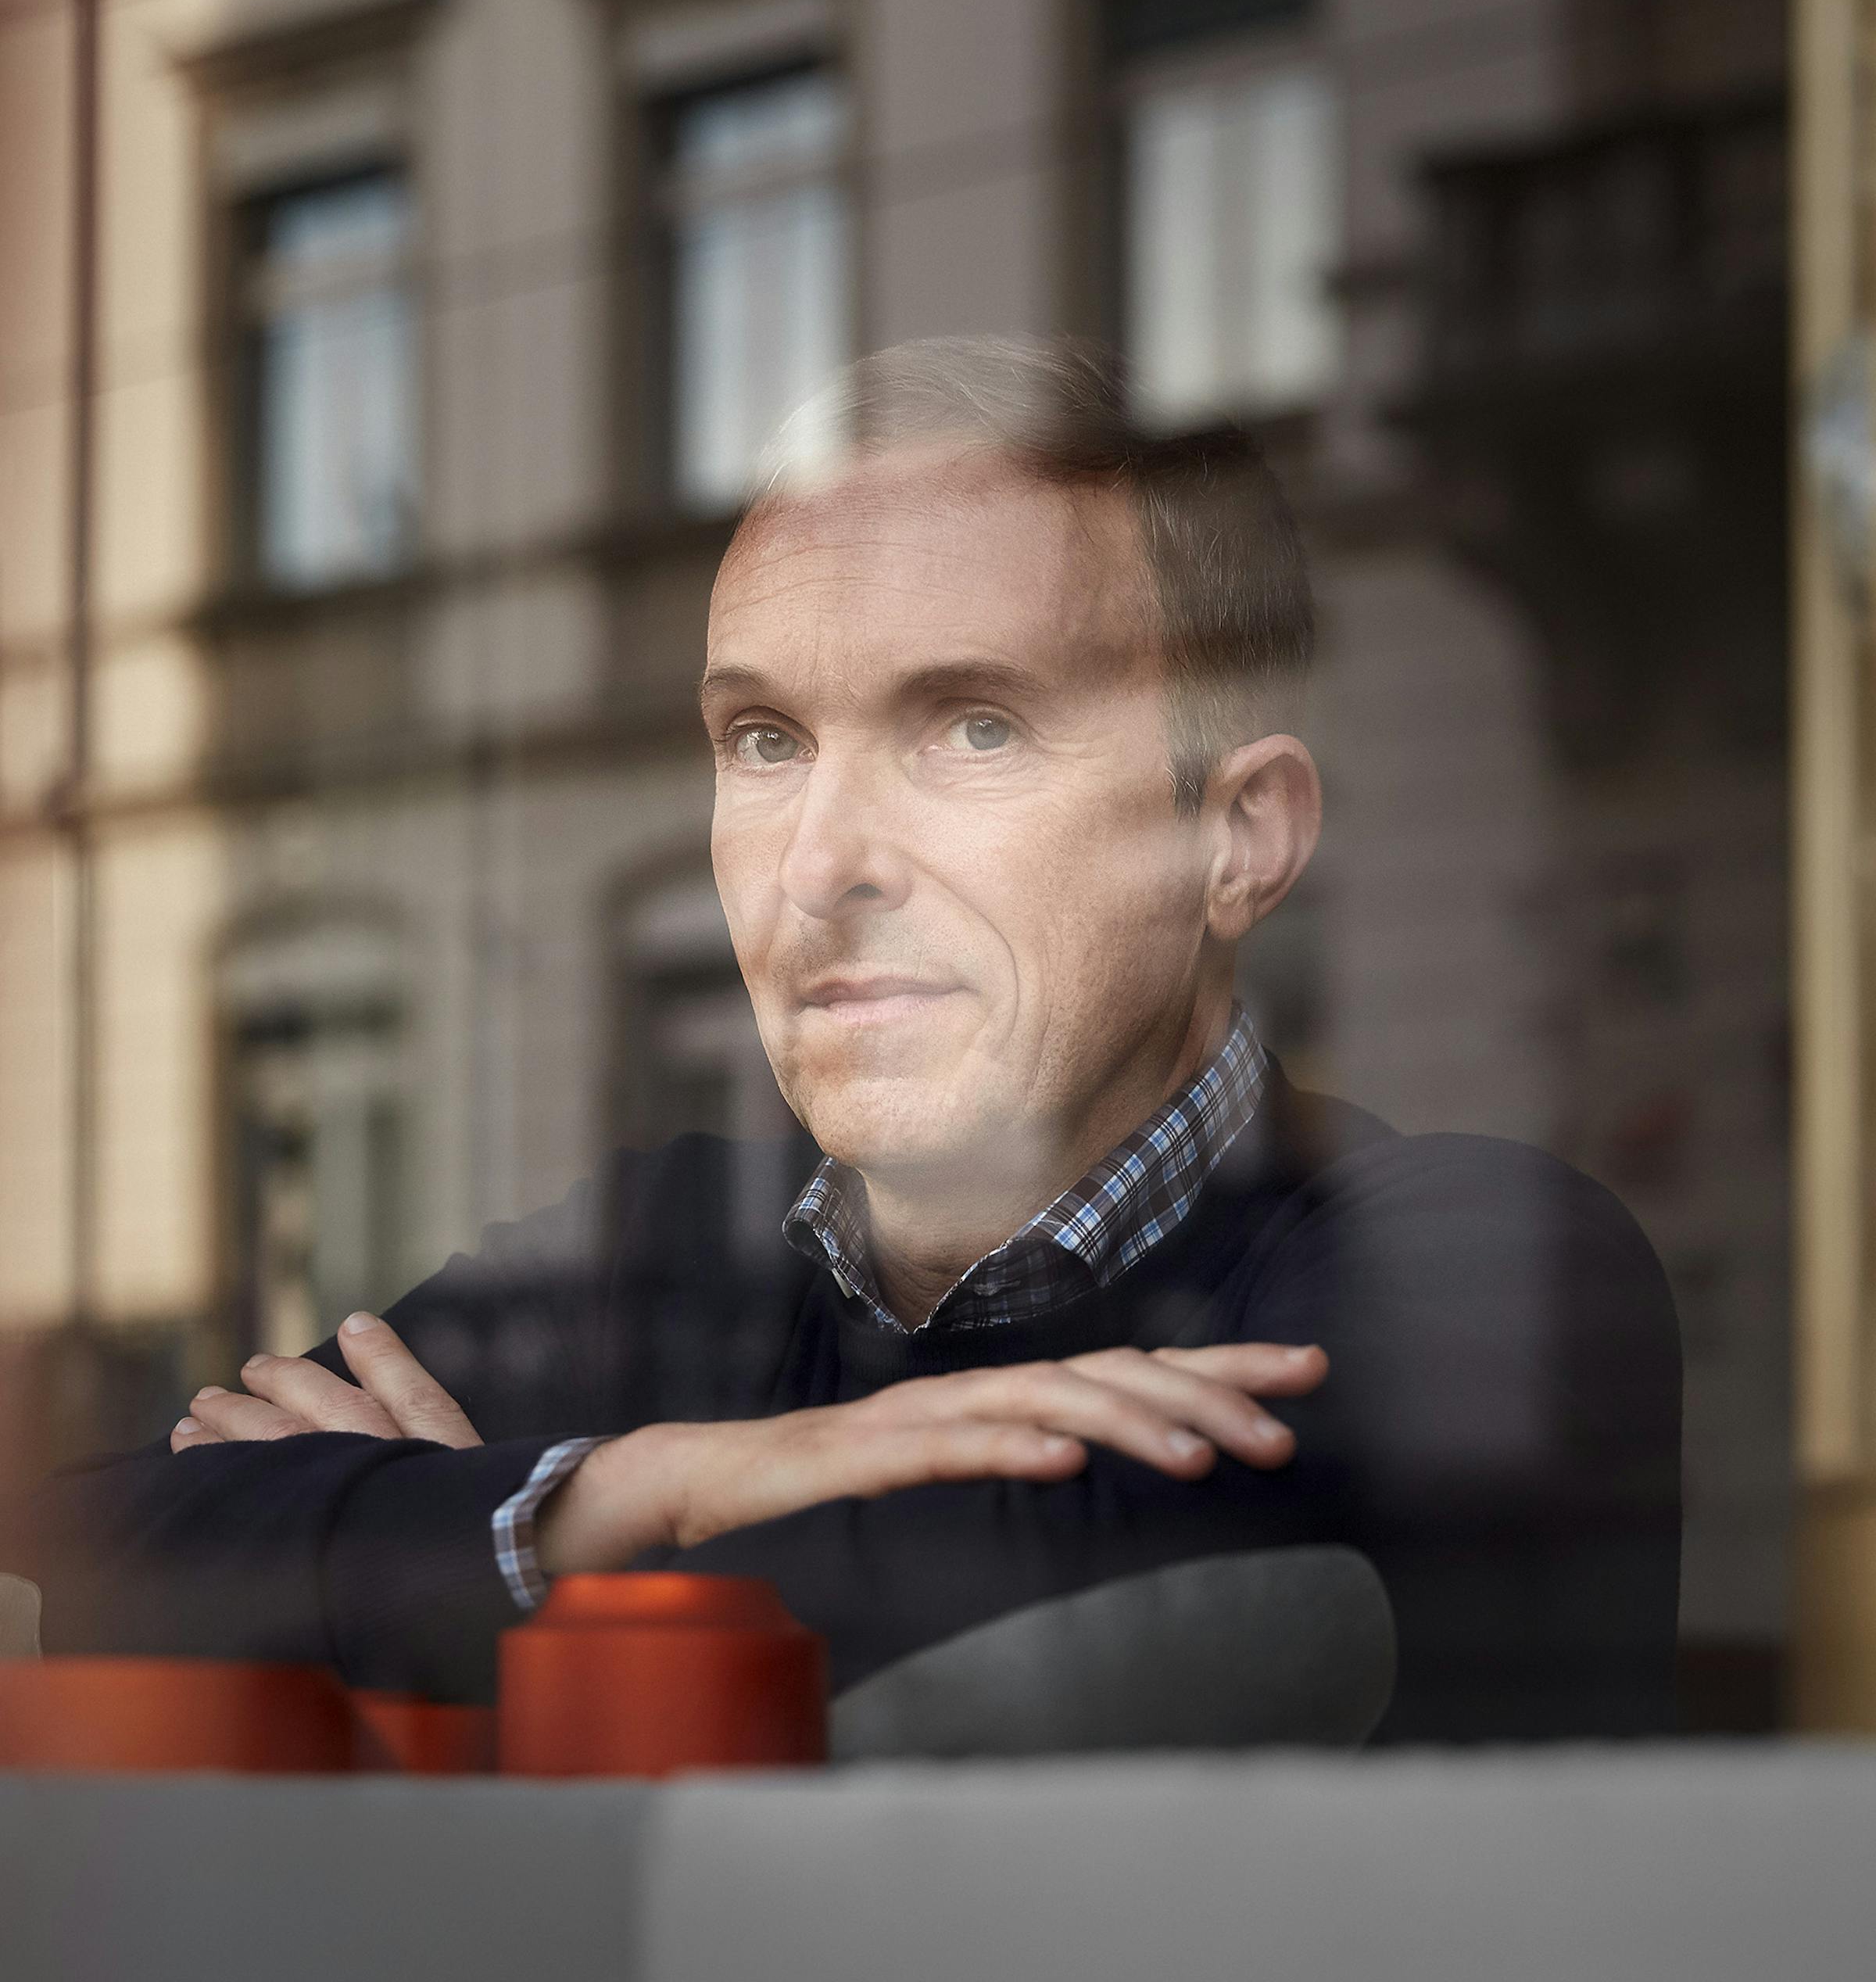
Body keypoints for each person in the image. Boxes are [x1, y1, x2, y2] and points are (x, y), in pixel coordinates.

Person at [27, 339, 1681, 1740]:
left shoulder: (1479, 1262)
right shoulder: (664, 1239)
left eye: (973, 725)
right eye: (763, 738)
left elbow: (1041, 1651)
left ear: (1235, 839)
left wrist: (453, 1552)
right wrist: (626, 1502)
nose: (818, 867)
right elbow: (74, 1554)